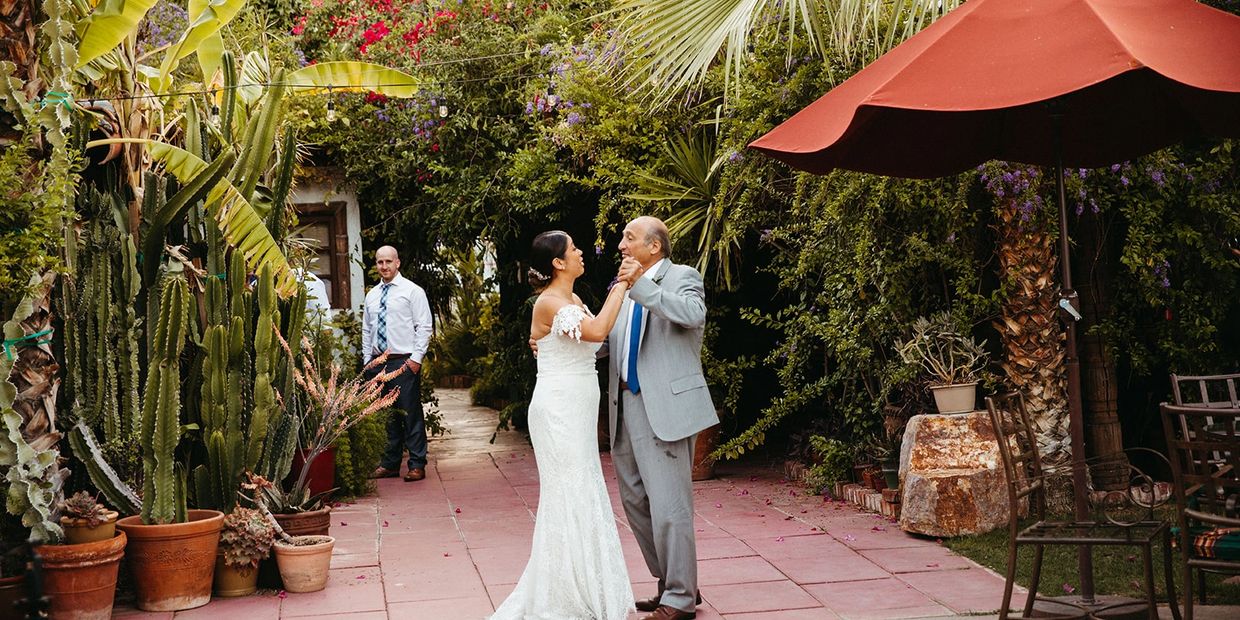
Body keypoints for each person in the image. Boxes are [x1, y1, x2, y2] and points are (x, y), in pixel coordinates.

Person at [490, 231, 635, 620]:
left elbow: (591, 344)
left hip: (577, 408)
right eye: (573, 249)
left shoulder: (573, 301)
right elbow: (599, 331)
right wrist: (623, 282)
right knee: (569, 494)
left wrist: (539, 341)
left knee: (582, 490)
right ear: (557, 262)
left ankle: (581, 583)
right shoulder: (551, 302)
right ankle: (564, 593)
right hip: (558, 411)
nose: (580, 252)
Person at [607, 216, 717, 620]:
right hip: (624, 407)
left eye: (628, 237)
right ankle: (674, 580)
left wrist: (641, 287)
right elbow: (612, 342)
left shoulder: (682, 276)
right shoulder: (621, 287)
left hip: (665, 408)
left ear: (654, 246)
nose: (621, 244)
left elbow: (691, 314)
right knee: (635, 501)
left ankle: (679, 598)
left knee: (670, 506)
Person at [362, 246, 433, 482]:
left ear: (398, 263)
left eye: (388, 262)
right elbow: (367, 330)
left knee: (410, 414)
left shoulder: (412, 291)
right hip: (378, 363)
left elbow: (424, 326)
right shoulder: (372, 296)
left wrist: (416, 359)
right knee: (386, 416)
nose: (384, 266)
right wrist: (367, 362)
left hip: (404, 362)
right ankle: (390, 464)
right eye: (380, 262)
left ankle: (416, 464)